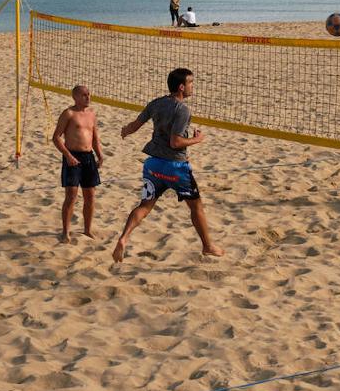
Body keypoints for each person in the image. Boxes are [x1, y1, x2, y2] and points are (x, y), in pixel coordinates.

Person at [112, 68, 223, 262]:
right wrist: (197, 140)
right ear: (181, 87)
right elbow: (176, 142)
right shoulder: (182, 110)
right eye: (191, 83)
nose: (192, 87)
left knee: (145, 205)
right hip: (175, 167)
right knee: (196, 207)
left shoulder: (156, 103)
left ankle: (123, 238)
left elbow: (135, 126)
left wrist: (125, 131)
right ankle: (208, 246)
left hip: (153, 164)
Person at [52, 84, 104, 243]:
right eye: (84, 95)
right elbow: (56, 137)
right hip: (73, 157)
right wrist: (67, 155)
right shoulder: (68, 113)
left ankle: (87, 230)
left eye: (89, 94)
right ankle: (65, 232)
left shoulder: (92, 114)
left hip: (88, 158)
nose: (88, 97)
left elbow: (95, 138)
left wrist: (100, 155)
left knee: (90, 196)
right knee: (71, 196)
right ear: (75, 97)